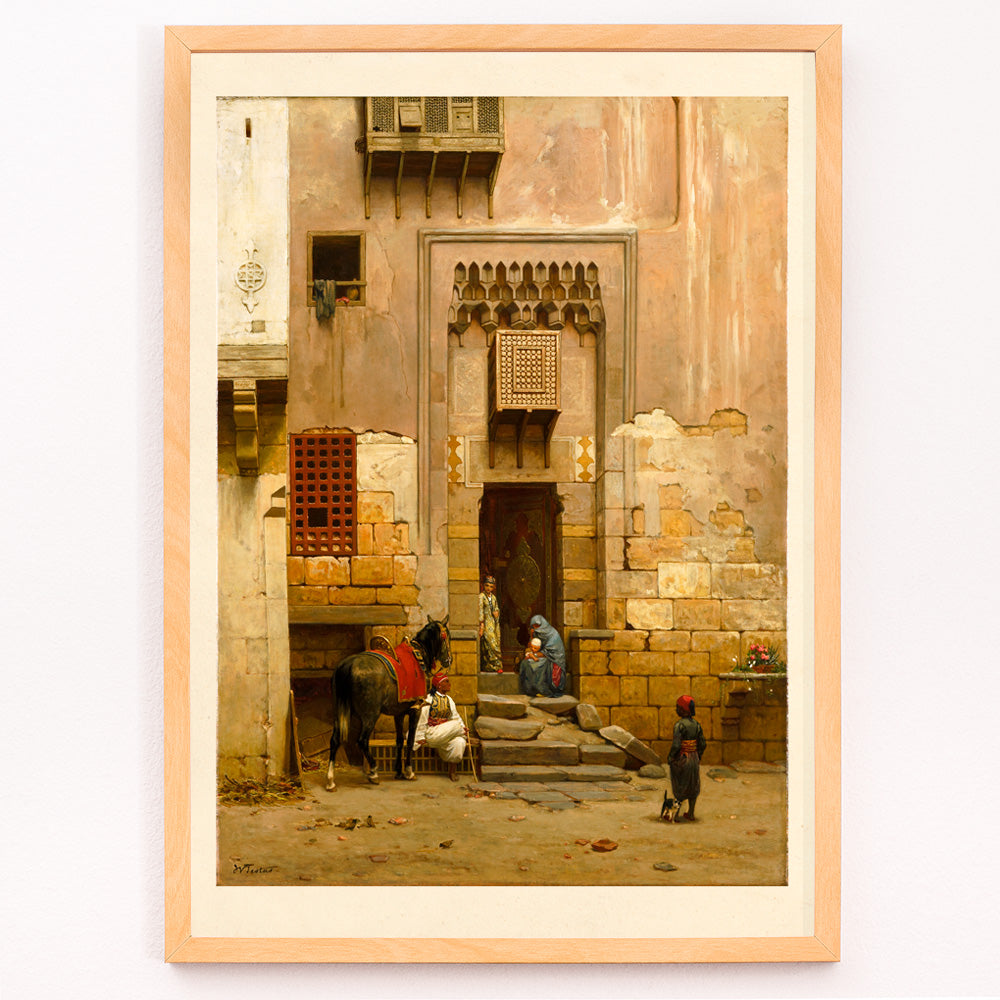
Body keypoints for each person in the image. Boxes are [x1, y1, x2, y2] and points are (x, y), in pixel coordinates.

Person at [414, 671, 468, 781]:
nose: (449, 684)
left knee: (459, 742)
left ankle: (452, 771)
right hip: (432, 733)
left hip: (446, 734)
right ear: (439, 685)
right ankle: (461, 732)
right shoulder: (429, 699)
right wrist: (420, 737)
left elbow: (455, 717)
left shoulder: (449, 700)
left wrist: (463, 728)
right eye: (446, 681)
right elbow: (422, 720)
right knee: (457, 726)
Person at [667, 695, 707, 821]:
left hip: (682, 757)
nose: (676, 710)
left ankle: (676, 814)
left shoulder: (679, 725)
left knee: (680, 784)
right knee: (693, 784)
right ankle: (691, 813)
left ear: (683, 710)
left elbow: (676, 745)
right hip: (693, 757)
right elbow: (703, 743)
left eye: (678, 707)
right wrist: (697, 755)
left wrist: (671, 757)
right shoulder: (697, 725)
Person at [518, 615, 568, 697]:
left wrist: (535, 655)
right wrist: (531, 635)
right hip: (541, 656)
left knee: (537, 665)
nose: (536, 628)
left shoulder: (553, 635)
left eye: (537, 626)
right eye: (534, 626)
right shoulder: (537, 633)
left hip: (553, 660)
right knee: (526, 662)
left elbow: (551, 652)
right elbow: (532, 646)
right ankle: (530, 689)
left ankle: (542, 689)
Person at [478, 575, 503, 673]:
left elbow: (496, 609)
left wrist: (497, 613)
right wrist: (482, 626)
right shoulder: (481, 597)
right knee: (492, 644)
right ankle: (495, 665)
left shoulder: (493, 597)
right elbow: (480, 611)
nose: (488, 588)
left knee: (496, 641)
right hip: (486, 623)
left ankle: (494, 666)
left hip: (494, 623)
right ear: (483, 585)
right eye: (487, 586)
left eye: (491, 586)